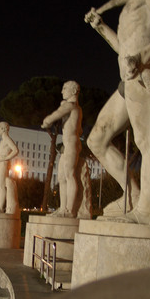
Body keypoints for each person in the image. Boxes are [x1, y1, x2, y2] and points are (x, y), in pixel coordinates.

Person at [84, 0, 150, 224]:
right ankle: (133, 195)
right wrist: (101, 28)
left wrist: (141, 58)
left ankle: (145, 211)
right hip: (128, 80)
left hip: (144, 75)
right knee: (97, 139)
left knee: (147, 143)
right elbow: (124, 49)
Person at [41, 80, 83, 218]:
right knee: (61, 177)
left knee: (69, 175)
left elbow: (58, 113)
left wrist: (47, 120)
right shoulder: (73, 107)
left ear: (73, 91)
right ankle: (63, 208)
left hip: (71, 144)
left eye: (64, 88)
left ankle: (70, 211)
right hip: (67, 145)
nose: (61, 91)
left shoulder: (71, 106)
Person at [0, 122, 19, 214]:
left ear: (3, 129)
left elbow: (15, 150)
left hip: (4, 164)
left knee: (1, 186)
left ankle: (0, 207)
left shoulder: (7, 139)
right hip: (0, 164)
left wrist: (5, 158)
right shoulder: (3, 140)